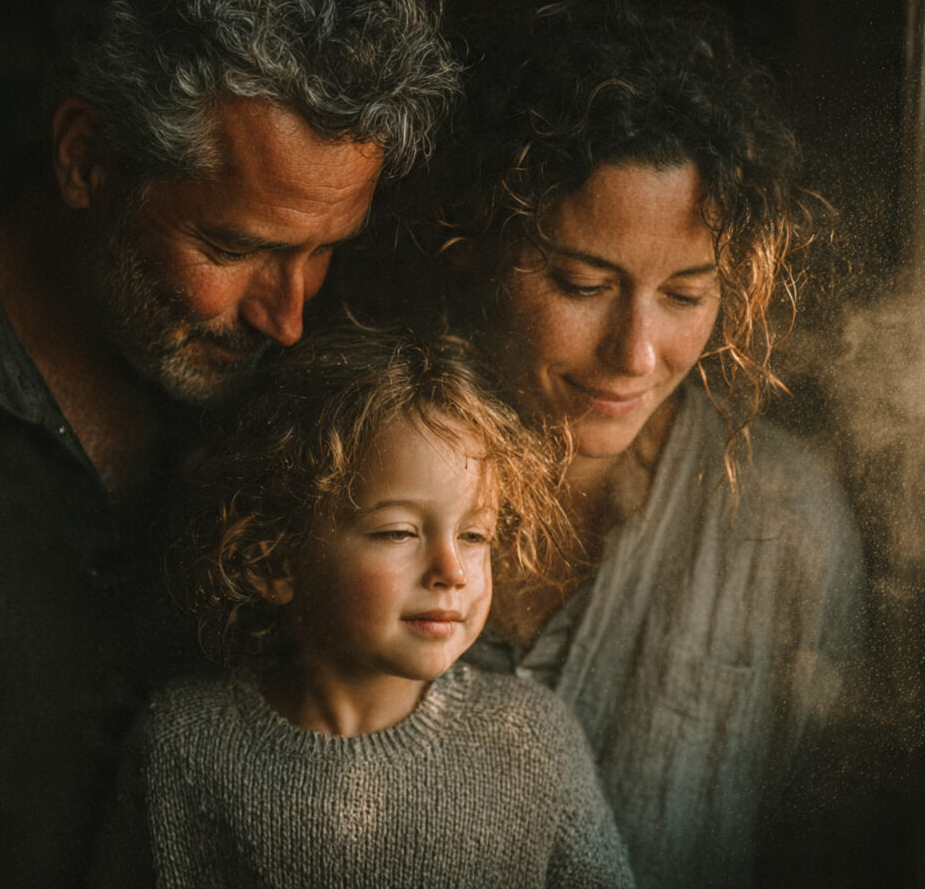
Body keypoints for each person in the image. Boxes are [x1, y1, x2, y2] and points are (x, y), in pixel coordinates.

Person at [0, 0, 457, 889]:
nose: (288, 316)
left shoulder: (340, 402)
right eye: (234, 246)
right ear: (86, 158)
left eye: (321, 254)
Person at [390, 0, 867, 889]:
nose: (635, 354)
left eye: (687, 294)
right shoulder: (344, 479)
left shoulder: (788, 530)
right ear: (478, 250)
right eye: (581, 283)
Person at [88, 326, 634, 889]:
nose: (452, 571)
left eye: (474, 536)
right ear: (274, 562)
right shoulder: (185, 745)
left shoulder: (530, 738)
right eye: (398, 533)